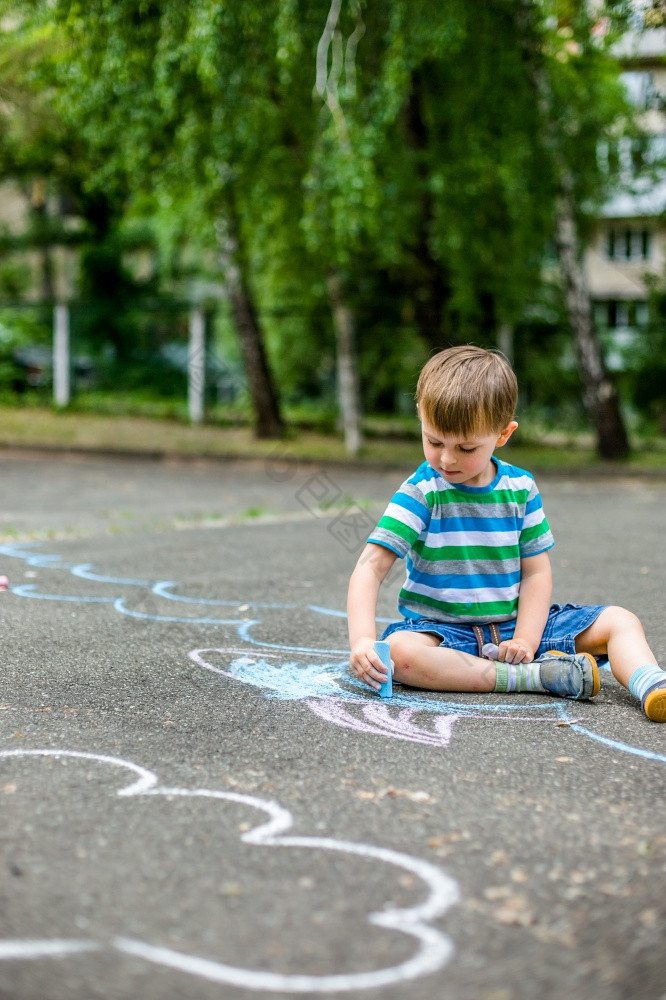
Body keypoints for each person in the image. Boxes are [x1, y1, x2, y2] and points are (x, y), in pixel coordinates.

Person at [347, 345, 666, 722]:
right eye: (434, 442)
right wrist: (363, 642)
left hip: (517, 627)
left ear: (503, 434)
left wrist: (527, 640)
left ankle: (652, 685)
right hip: (444, 635)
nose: (447, 459)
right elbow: (371, 567)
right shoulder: (421, 492)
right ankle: (533, 677)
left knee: (620, 621)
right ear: (421, 417)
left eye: (466, 447)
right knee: (399, 652)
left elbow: (536, 572)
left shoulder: (520, 488)